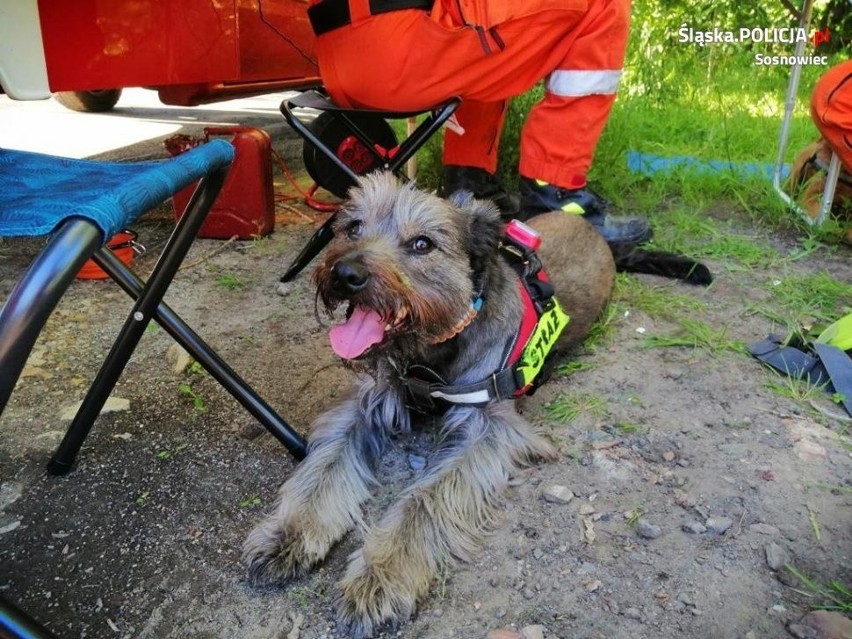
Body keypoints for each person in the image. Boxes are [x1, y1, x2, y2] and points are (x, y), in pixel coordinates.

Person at [306, 0, 652, 245]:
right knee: (604, 3)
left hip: (341, 55)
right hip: (399, 45)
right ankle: (556, 197)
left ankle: (468, 185)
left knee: (486, 38)